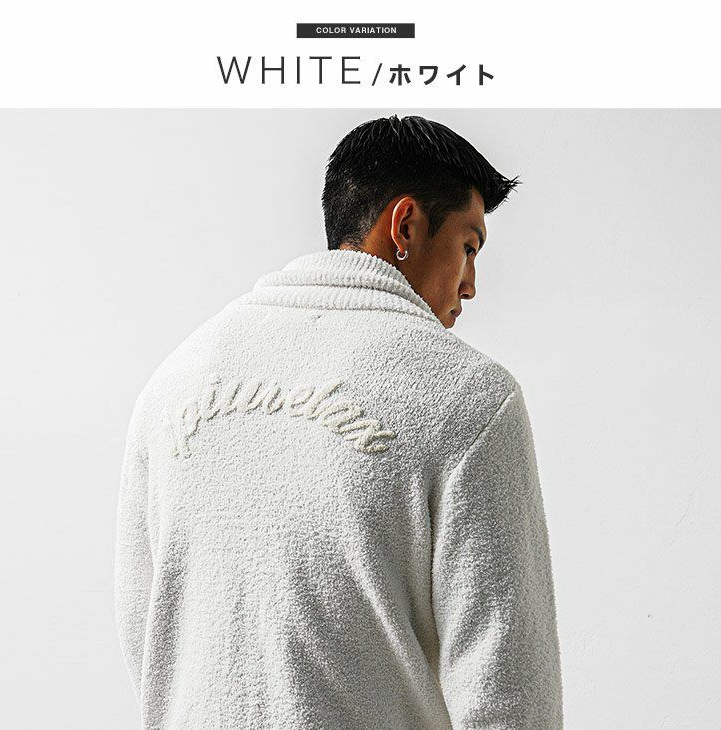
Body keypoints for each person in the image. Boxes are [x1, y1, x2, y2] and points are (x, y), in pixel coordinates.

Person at [114, 114, 564, 729]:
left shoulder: (176, 382)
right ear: (405, 226)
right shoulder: (470, 398)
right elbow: (509, 693)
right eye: (468, 247)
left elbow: (149, 637)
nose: (471, 286)